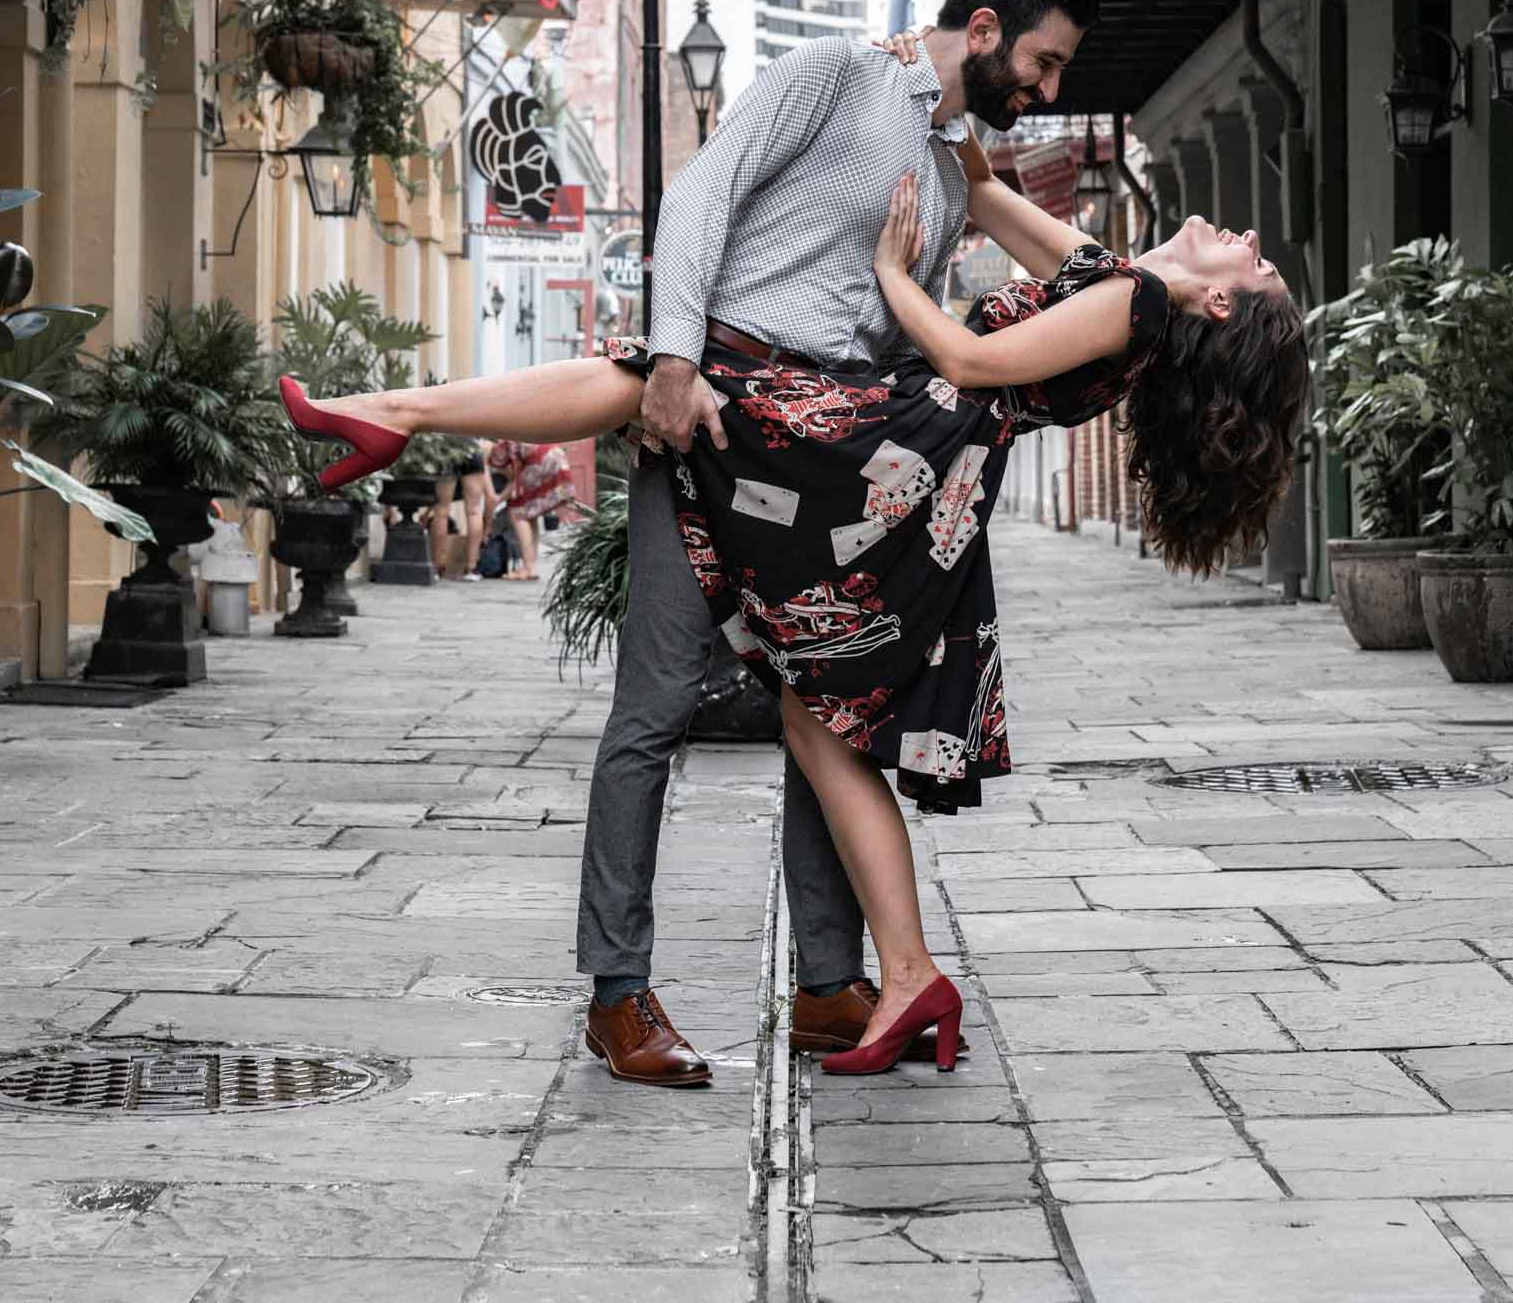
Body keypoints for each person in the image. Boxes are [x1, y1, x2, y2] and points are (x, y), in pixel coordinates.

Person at [282, 164, 1308, 1073]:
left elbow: (971, 361)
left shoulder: (1136, 301)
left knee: (673, 378)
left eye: (1256, 269)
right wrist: (921, 83)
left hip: (885, 448)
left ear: (1217, 305)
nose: (1254, 241)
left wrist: (896, 274)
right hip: (903, 458)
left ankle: (399, 411)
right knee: (818, 710)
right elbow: (985, 189)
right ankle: (868, 979)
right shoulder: (1116, 276)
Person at [287, 0, 1100, 1085]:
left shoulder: (958, 168)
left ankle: (829, 985)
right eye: (1043, 61)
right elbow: (702, 195)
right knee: (656, 707)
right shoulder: (833, 73)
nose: (1049, 88)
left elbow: (965, 302)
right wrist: (672, 359)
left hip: (832, 469)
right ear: (980, 30)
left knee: (834, 711)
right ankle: (618, 995)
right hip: (716, 430)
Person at [486, 439, 573, 582]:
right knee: (530, 513)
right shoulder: (509, 441)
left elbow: (515, 481)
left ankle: (527, 568)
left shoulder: (503, 448)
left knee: (517, 512)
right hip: (555, 456)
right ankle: (531, 566)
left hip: (542, 461)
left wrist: (497, 499)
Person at [443, 446, 492, 581]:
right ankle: (471, 568)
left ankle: (437, 568)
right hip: (472, 450)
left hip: (448, 448)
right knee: (474, 511)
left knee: (442, 510)